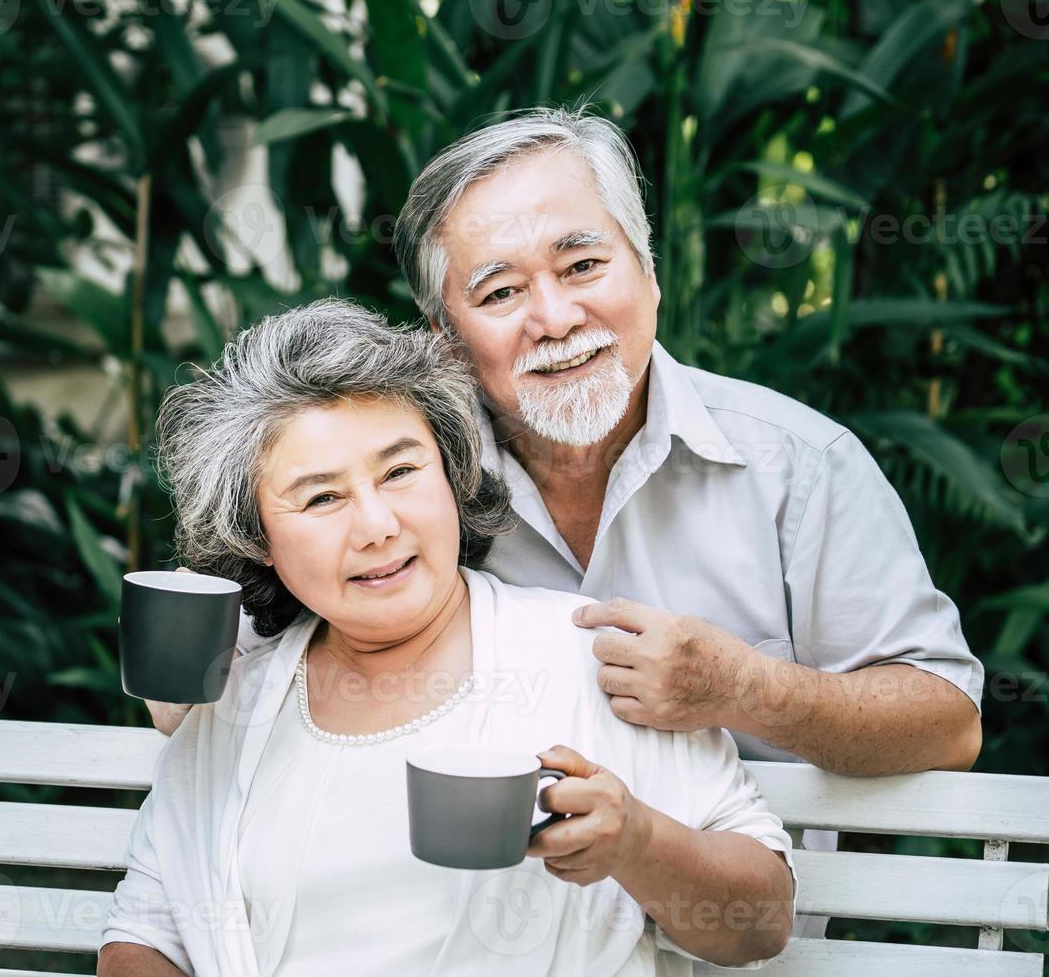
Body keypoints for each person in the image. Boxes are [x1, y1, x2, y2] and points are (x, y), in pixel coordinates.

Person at [147, 110, 984, 938]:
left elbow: (949, 724)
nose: (554, 317)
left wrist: (742, 688)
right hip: (483, 932)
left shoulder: (800, 465)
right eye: (501, 291)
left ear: (650, 274)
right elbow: (256, 675)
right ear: (444, 337)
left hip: (751, 939)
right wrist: (189, 686)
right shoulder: (408, 482)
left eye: (583, 264)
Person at [98, 301, 794, 976]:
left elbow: (761, 925)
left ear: (451, 475)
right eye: (321, 497)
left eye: (401, 471)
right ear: (259, 541)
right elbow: (146, 934)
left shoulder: (592, 661)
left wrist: (637, 841)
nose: (377, 525)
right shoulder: (237, 701)